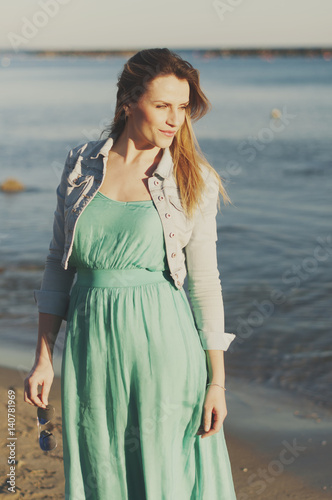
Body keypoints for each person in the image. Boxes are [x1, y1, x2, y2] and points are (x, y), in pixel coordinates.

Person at [24, 48, 237, 499]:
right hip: (90, 351)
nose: (175, 119)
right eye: (162, 105)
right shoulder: (81, 165)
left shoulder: (191, 177)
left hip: (164, 349)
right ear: (128, 102)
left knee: (165, 474)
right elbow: (58, 263)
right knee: (102, 467)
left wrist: (216, 381)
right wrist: (43, 355)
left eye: (182, 108)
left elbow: (204, 284)